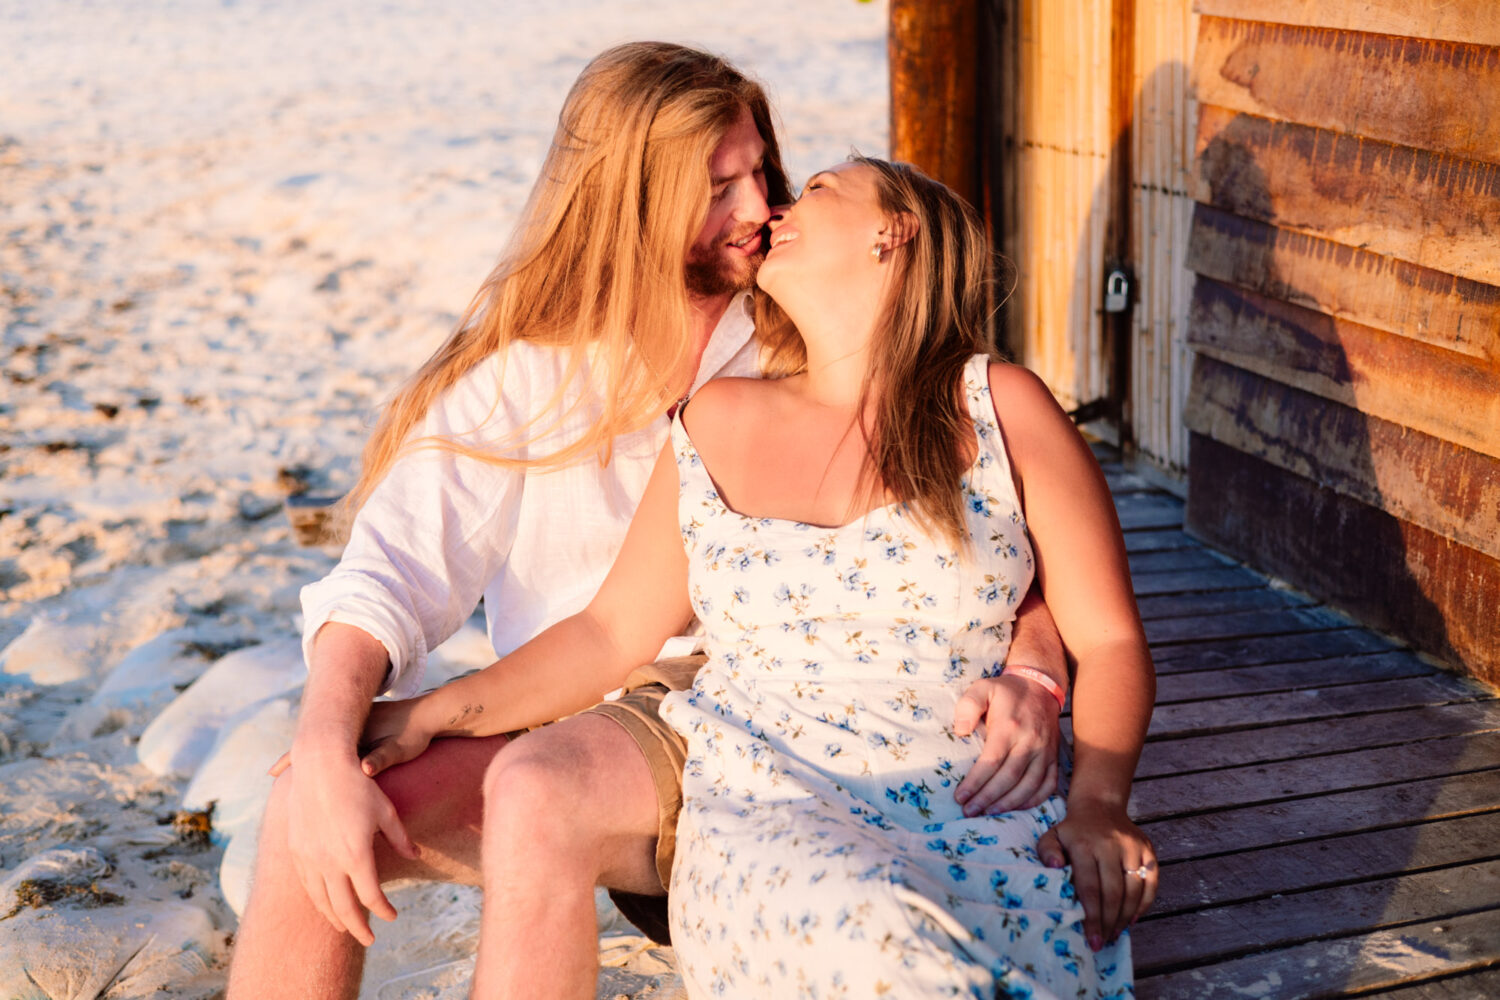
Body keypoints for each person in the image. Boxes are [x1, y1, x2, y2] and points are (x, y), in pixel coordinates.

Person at [227, 45, 1071, 1000]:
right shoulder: (528, 375)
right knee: (306, 800)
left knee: (538, 786)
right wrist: (332, 745)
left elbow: (996, 525)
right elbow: (385, 577)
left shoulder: (811, 328)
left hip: (761, 728)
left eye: (761, 170)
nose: (761, 210)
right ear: (630, 203)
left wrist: (1033, 671)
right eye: (720, 187)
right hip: (554, 726)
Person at [353, 157, 1157, 998]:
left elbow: (1108, 639)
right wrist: (434, 709)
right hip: (769, 798)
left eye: (814, 190)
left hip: (979, 811)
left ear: (894, 231)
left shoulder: (1000, 407)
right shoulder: (716, 419)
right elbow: (607, 636)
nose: (776, 210)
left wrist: (1100, 803)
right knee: (872, 929)